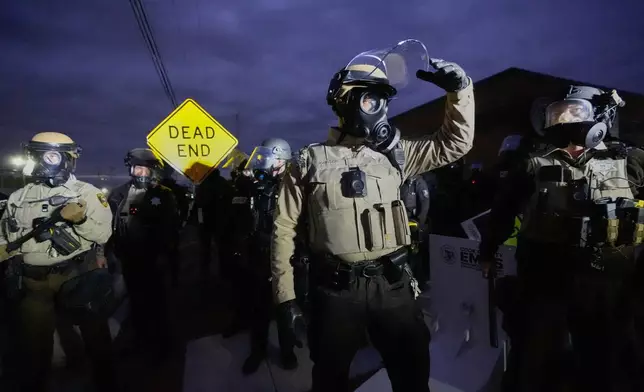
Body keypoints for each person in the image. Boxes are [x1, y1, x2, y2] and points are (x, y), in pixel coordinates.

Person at [271, 42, 475, 392]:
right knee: (329, 378)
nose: (378, 109)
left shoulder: (398, 154)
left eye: (382, 100)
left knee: (412, 372)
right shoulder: (308, 161)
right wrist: (285, 297)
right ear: (344, 101)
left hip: (392, 286)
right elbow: (283, 230)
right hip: (336, 293)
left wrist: (460, 91)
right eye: (369, 99)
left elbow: (456, 142)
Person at [479, 86, 644, 392]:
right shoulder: (531, 163)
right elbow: (503, 210)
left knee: (607, 361)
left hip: (608, 283)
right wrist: (487, 251)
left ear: (598, 117)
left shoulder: (630, 160)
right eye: (558, 114)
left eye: (575, 112)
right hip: (545, 279)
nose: (565, 120)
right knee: (533, 359)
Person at [0, 132, 115, 392]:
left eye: (54, 155)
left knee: (95, 335)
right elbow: (6, 232)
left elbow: (103, 235)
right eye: (42, 155)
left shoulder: (87, 193)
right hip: (33, 282)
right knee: (34, 345)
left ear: (68, 159)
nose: (47, 162)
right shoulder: (19, 197)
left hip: (76, 276)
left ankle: (107, 382)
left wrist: (81, 220)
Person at [104, 148, 179, 359]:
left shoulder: (163, 194)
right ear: (131, 169)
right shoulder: (119, 193)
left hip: (155, 259)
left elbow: (170, 228)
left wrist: (167, 257)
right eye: (137, 168)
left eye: (146, 169)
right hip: (127, 258)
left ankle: (160, 347)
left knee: (157, 304)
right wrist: (106, 253)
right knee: (136, 304)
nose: (141, 173)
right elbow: (109, 225)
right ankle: (139, 342)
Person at [241, 138, 298, 374]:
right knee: (258, 308)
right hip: (259, 255)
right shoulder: (257, 186)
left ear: (282, 161)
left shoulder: (293, 187)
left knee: (285, 307)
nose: (263, 163)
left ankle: (287, 351)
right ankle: (258, 351)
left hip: (285, 257)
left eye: (269, 159)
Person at [194, 168, 233, 280]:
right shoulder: (223, 183)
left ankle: (205, 272)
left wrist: (200, 221)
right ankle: (222, 272)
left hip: (208, 220)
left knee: (206, 249)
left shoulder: (203, 184)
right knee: (221, 248)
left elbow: (199, 203)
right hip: (219, 220)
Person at [401, 175, 431, 288]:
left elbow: (425, 204)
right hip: (403, 223)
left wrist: (419, 223)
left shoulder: (418, 183)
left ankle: (420, 281)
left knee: (416, 256)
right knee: (406, 255)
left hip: (415, 225)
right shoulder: (403, 182)